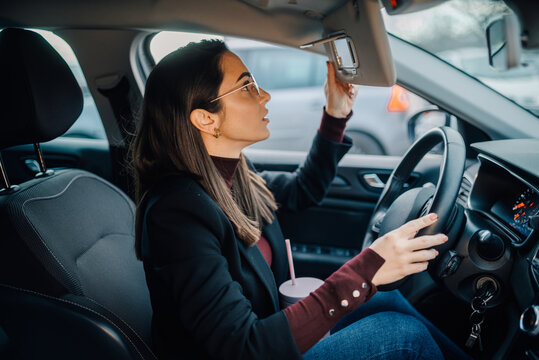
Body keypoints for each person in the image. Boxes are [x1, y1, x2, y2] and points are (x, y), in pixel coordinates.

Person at [131, 39, 465, 360]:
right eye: (247, 87)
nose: (264, 95)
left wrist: (335, 114)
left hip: (266, 336)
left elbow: (303, 190)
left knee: (388, 301)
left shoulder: (235, 177)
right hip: (251, 350)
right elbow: (241, 347)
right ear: (206, 118)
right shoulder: (177, 214)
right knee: (404, 337)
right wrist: (365, 271)